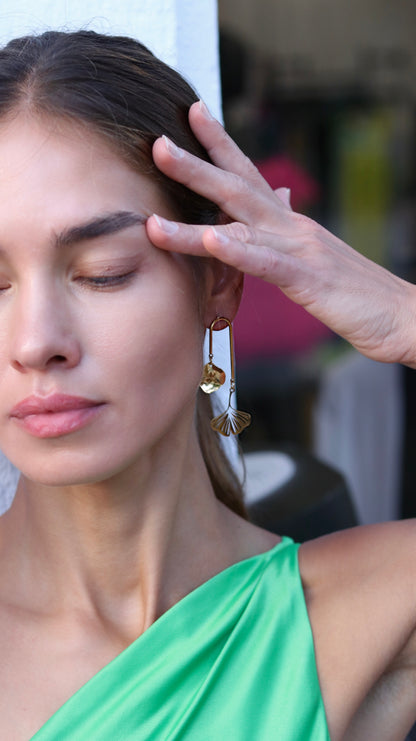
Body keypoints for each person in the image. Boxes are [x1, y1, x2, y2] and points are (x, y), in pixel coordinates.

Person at [0, 28, 414, 741]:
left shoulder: (348, 617)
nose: (38, 341)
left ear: (217, 280)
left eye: (104, 271)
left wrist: (398, 310)